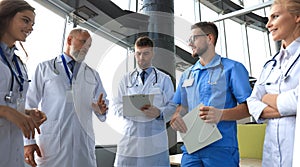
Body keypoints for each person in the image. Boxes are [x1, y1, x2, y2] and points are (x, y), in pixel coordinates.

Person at [170, 21, 252, 166]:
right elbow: (182, 106)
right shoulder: (187, 74)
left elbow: (250, 108)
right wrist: (177, 116)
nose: (189, 43)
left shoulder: (232, 68)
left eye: (193, 38)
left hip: (221, 148)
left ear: (209, 38)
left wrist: (221, 114)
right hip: (191, 148)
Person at [24, 28, 109, 167]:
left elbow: (103, 103)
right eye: (83, 42)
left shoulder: (92, 74)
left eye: (88, 46)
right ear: (69, 40)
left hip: (83, 145)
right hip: (53, 143)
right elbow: (28, 105)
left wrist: (101, 109)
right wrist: (28, 142)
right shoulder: (45, 68)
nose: (86, 49)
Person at [247, 0, 300, 166]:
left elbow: (297, 101)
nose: (268, 25)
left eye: (275, 17)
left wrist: (268, 98)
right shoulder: (270, 64)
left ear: (297, 17)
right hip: (271, 156)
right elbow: (252, 101)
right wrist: (289, 109)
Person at [112, 36, 176, 166]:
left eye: (146, 53)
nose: (141, 58)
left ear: (153, 53)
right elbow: (115, 106)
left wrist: (159, 112)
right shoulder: (125, 79)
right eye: (138, 53)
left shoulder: (164, 79)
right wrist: (129, 109)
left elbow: (173, 106)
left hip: (154, 137)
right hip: (131, 136)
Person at [0, 0, 47, 166]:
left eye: (32, 24)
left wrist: (26, 112)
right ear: (6, 17)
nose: (30, 28)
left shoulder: (18, 63)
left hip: (12, 148)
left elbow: (8, 99)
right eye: (25, 20)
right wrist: (6, 111)